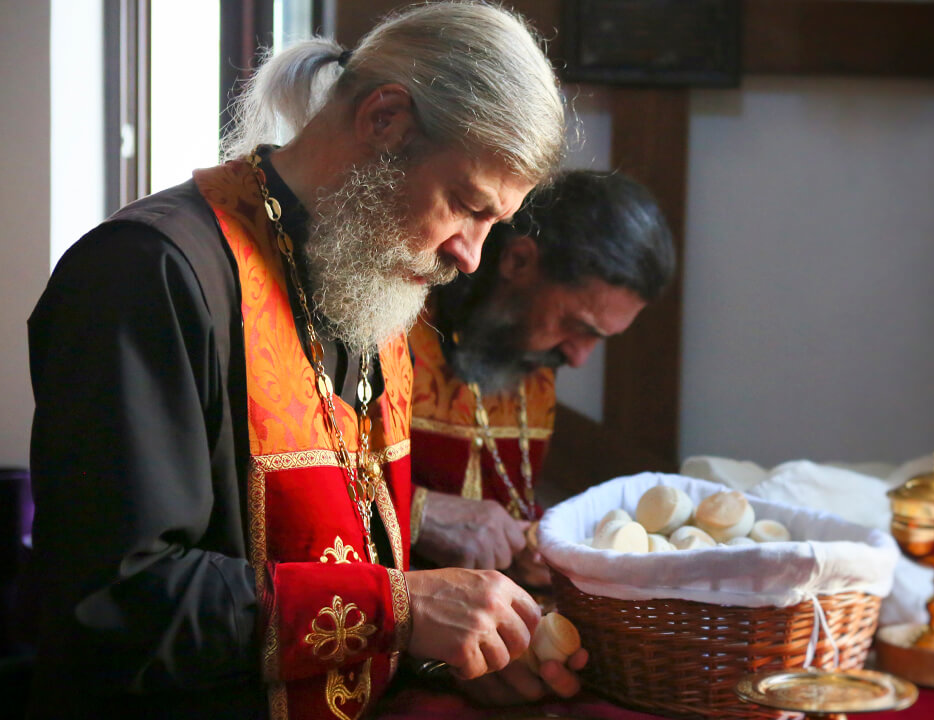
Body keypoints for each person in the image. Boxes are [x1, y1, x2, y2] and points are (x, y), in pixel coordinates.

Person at [25, 3, 584, 718]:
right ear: (386, 121)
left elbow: (343, 554)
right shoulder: (147, 274)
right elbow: (114, 605)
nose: (470, 256)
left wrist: (444, 651)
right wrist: (404, 611)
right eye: (466, 205)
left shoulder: (369, 275)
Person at [405, 170, 676, 588]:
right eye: (576, 324)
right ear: (518, 261)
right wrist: (418, 513)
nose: (579, 357)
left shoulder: (533, 352)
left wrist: (535, 550)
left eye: (599, 338)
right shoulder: (393, 321)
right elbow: (296, 494)